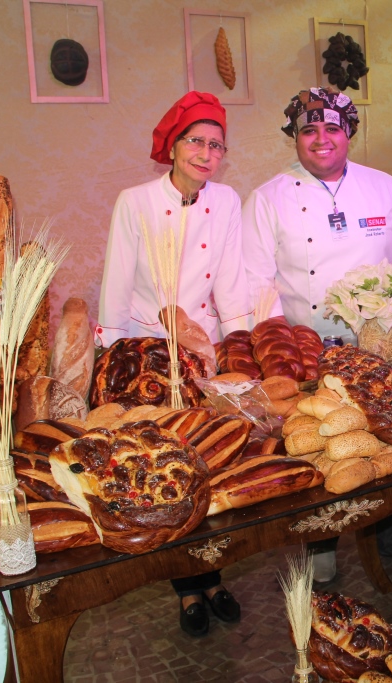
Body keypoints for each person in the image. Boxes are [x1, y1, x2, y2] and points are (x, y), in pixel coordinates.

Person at [241, 87, 392, 583]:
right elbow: (255, 280)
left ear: (349, 133)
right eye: (308, 130)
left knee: (385, 440)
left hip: (376, 345)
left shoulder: (384, 188)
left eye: (331, 128)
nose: (320, 139)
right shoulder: (268, 198)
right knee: (323, 444)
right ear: (294, 137)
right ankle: (319, 543)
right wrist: (276, 354)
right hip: (306, 349)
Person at [98, 91, 252, 637]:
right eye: (196, 141)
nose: (206, 153)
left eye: (216, 145)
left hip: (203, 350)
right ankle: (187, 589)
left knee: (208, 463)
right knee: (169, 468)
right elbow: (116, 281)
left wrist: (239, 345)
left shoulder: (228, 201)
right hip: (149, 352)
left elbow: (231, 279)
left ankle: (212, 575)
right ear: (172, 146)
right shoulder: (134, 201)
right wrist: (110, 357)